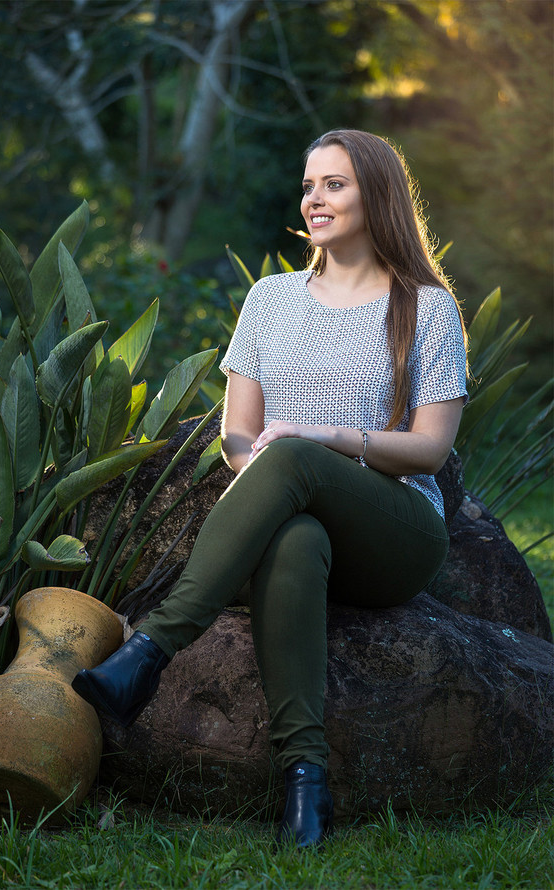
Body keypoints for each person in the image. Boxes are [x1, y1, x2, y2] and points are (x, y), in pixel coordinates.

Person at [73, 129, 468, 847]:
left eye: (334, 184)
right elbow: (236, 437)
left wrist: (325, 440)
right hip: (301, 519)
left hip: (396, 529)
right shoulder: (270, 299)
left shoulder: (427, 307)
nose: (314, 198)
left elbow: (431, 450)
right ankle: (304, 784)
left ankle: (154, 646)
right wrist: (273, 460)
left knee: (289, 455)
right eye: (309, 185)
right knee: (293, 536)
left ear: (376, 193)